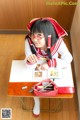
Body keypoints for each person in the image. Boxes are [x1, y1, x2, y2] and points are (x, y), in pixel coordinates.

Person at [25, 17, 73, 116]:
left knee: (52, 84)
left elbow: (68, 58)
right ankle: (37, 101)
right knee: (35, 84)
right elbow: (27, 58)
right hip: (36, 66)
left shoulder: (58, 42)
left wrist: (51, 63)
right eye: (33, 34)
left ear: (48, 36)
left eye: (39, 36)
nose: (35, 39)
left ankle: (48, 95)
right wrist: (30, 60)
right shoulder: (28, 41)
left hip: (52, 65)